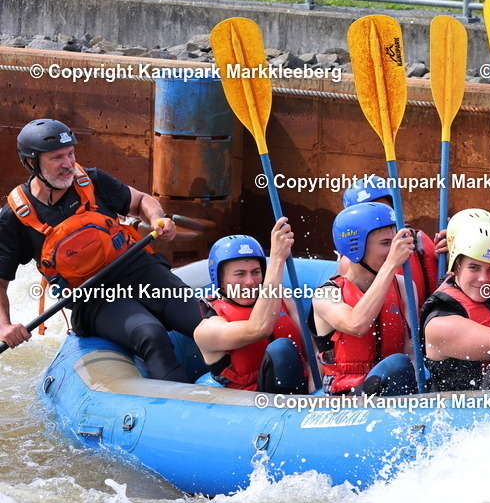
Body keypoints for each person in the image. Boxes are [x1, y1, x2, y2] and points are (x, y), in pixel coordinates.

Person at [0, 118, 201, 382]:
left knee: (201, 320)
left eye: (71, 154)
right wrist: (4, 325)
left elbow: (142, 201)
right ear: (31, 163)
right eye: (57, 157)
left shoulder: (92, 180)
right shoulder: (14, 218)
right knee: (150, 333)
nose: (69, 164)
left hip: (138, 269)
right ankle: (182, 409)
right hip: (93, 295)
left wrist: (157, 219)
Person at [310, 202, 418, 396]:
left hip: (394, 388)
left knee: (402, 365)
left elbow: (410, 354)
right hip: (345, 396)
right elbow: (356, 325)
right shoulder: (326, 294)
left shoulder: (404, 286)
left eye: (395, 243)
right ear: (355, 248)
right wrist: (391, 264)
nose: (394, 251)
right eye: (386, 244)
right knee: (396, 365)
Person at [193, 219, 309, 393]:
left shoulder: (283, 298)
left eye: (256, 272)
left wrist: (316, 384)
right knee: (281, 349)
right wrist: (277, 258)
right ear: (221, 282)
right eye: (240, 274)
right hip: (254, 407)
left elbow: (312, 350)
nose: (250, 282)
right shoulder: (207, 330)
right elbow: (259, 329)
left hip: (302, 390)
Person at [421, 222, 490, 391]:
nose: (484, 278)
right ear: (457, 266)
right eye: (474, 267)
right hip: (460, 411)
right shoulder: (439, 324)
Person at [343, 175, 438, 304]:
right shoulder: (352, 260)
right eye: (372, 215)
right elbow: (354, 318)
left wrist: (450, 259)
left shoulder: (418, 239)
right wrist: (392, 262)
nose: (381, 219)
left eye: (386, 210)